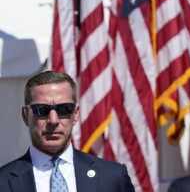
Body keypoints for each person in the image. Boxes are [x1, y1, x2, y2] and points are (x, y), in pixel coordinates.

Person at [0, 70, 134, 192]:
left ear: (75, 114)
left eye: (64, 109)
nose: (53, 120)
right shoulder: (3, 182)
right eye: (42, 109)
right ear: (25, 116)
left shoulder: (113, 177)